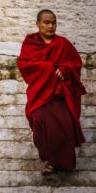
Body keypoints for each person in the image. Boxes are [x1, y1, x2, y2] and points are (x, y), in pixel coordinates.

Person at [17, 9, 87, 175]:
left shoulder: (63, 44)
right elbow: (25, 65)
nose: (50, 26)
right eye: (46, 22)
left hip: (59, 96)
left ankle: (63, 163)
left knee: (64, 127)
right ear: (38, 24)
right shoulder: (31, 43)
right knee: (40, 124)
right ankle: (49, 161)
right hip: (40, 94)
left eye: (53, 22)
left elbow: (75, 64)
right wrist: (49, 68)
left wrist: (64, 69)